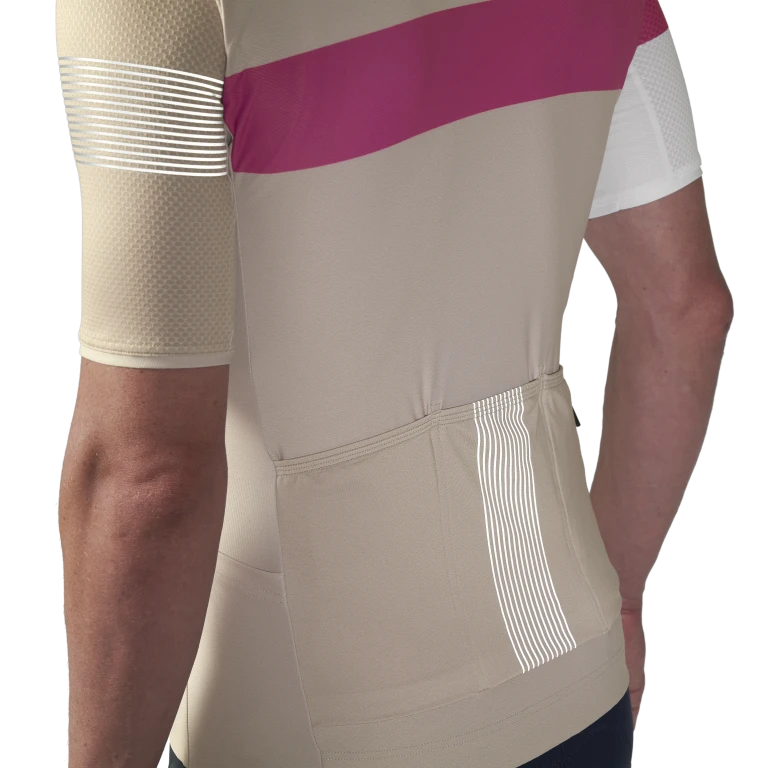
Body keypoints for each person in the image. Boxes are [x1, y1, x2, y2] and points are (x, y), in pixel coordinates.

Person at [55, 0, 732, 766]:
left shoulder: (152, 10)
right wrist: (618, 596)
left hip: (293, 721)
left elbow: (147, 476)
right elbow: (685, 310)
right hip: (573, 675)